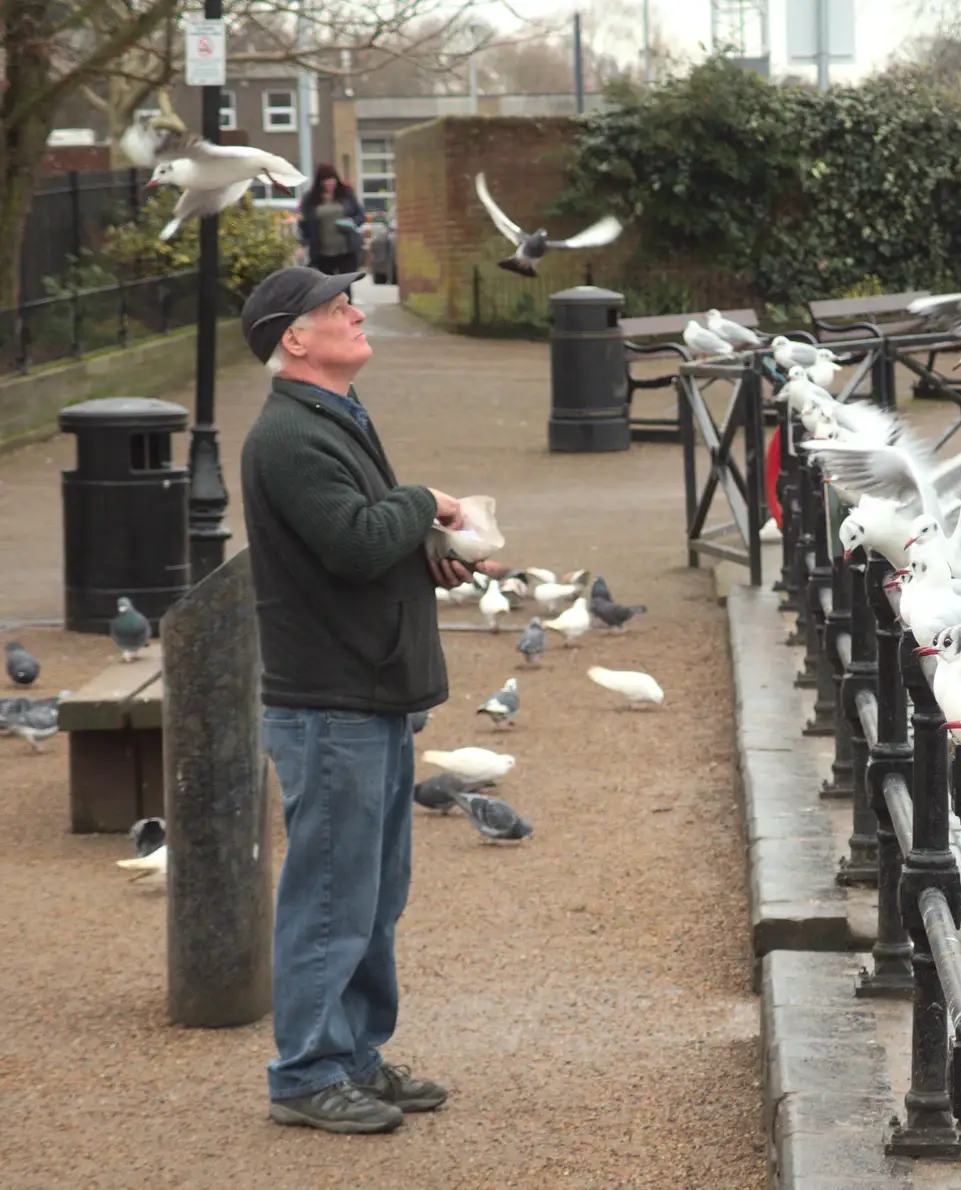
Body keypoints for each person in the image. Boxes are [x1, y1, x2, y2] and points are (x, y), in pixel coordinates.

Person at [238, 266, 509, 1134]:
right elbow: (354, 544)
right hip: (330, 700)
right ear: (295, 339)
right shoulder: (288, 433)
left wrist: (423, 549)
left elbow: (355, 540)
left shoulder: (332, 417)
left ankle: (353, 1056)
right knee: (329, 895)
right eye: (336, 308)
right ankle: (307, 1074)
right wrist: (423, 501)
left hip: (366, 692)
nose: (357, 312)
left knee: (372, 893)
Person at [298, 164, 365, 276]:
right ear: (320, 182)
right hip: (322, 252)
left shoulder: (346, 194)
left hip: (346, 249)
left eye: (332, 179)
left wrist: (352, 222)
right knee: (328, 286)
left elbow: (360, 215)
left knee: (345, 285)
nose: (330, 183)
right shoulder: (310, 199)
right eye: (326, 180)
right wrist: (304, 244)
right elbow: (304, 223)